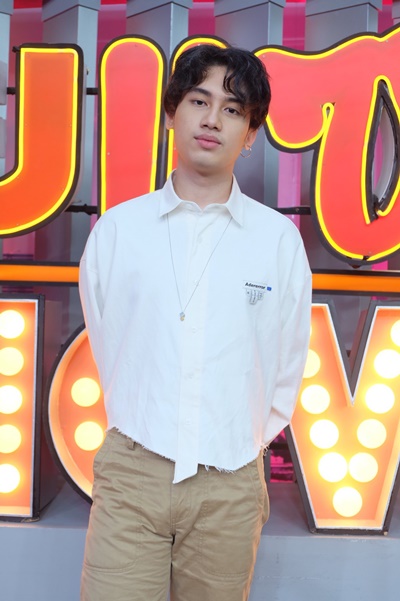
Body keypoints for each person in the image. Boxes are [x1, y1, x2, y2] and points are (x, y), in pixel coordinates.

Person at [79, 44, 312, 601]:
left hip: (230, 480)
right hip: (133, 471)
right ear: (171, 114)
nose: (212, 120)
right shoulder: (118, 230)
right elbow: (109, 343)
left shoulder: (277, 241)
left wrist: (239, 441)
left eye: (232, 110)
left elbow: (286, 364)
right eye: (198, 101)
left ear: (250, 133)